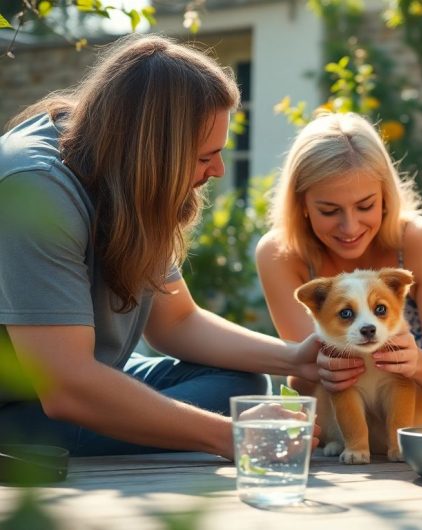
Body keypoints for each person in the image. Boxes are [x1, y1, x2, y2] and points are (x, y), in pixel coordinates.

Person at [0, 34, 320, 459]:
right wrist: (232, 436)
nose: (219, 170)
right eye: (206, 156)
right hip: (26, 404)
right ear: (157, 150)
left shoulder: (124, 168)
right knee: (230, 413)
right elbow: (65, 387)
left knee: (239, 385)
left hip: (83, 377)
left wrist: (297, 358)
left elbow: (176, 321)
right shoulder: (36, 189)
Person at [256, 112, 422, 423]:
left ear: (385, 197)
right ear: (301, 205)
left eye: (365, 206)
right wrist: (317, 367)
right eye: (329, 210)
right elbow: (303, 379)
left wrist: (414, 361)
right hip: (341, 438)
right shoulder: (280, 254)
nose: (349, 226)